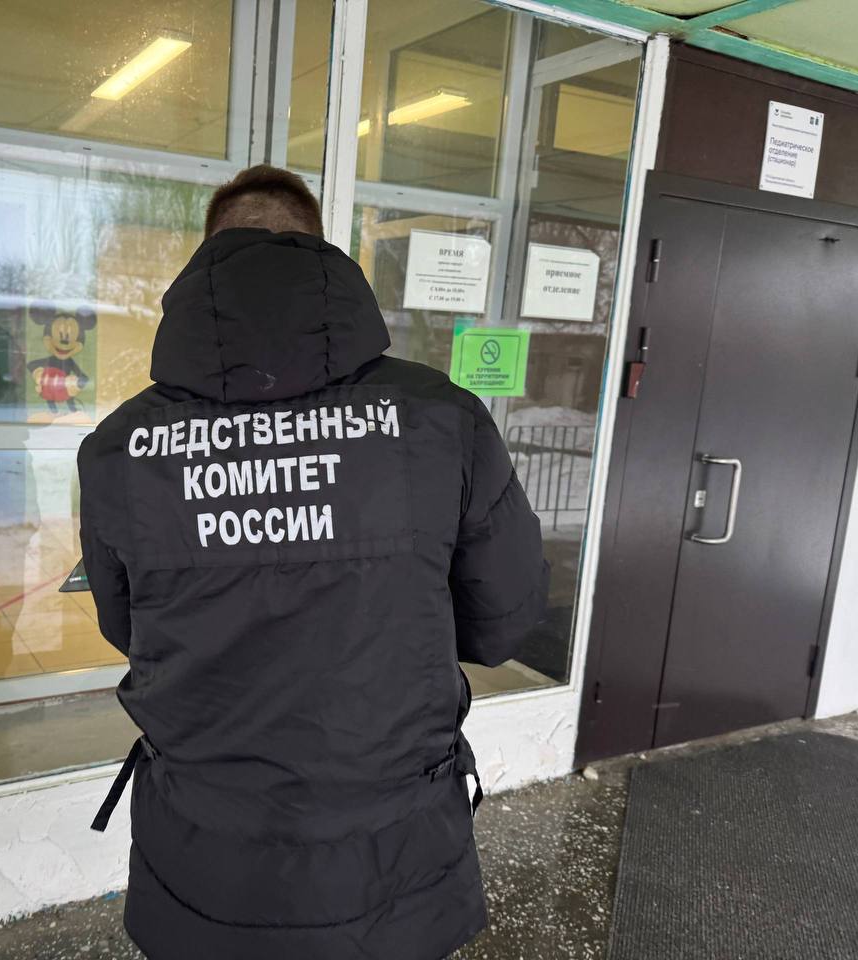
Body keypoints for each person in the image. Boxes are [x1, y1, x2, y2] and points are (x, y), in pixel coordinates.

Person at [77, 165, 548, 960]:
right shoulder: (441, 419)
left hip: (202, 860)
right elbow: (504, 620)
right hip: (394, 860)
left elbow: (126, 627)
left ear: (206, 263)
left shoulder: (122, 447)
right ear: (320, 255)